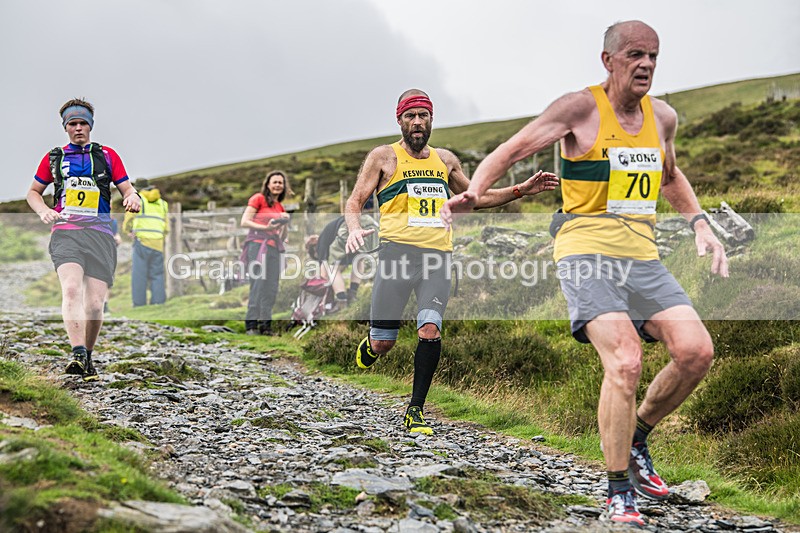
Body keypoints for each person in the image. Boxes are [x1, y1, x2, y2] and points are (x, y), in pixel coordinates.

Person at [441, 21, 729, 526]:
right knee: (625, 360)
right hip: (585, 250)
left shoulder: (662, 117)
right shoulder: (580, 108)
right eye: (635, 54)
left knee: (696, 352)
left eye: (654, 56)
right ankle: (619, 491)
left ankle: (636, 439)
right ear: (608, 60)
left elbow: (669, 175)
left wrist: (700, 223)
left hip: (643, 256)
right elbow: (513, 149)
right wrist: (474, 190)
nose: (646, 65)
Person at [345, 89, 558, 436]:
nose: (417, 122)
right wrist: (354, 229)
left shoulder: (445, 160)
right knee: (384, 343)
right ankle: (372, 345)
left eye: (423, 116)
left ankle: (415, 411)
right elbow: (355, 201)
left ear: (432, 120)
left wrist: (520, 190)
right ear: (399, 120)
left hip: (436, 258)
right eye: (410, 116)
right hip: (396, 257)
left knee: (430, 328)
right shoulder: (384, 157)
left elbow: (477, 197)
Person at [27, 98, 140, 382]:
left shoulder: (107, 156)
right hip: (66, 233)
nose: (78, 128)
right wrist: (43, 211)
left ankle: (87, 355)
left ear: (90, 125)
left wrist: (132, 197)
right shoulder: (54, 158)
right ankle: (77, 352)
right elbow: (33, 192)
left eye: (82, 123)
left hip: (100, 235)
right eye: (72, 124)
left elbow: (127, 188)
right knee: (72, 289)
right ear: (65, 127)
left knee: (94, 305)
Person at [241, 170, 291, 336]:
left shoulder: (280, 207)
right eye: (274, 182)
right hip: (257, 245)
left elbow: (282, 236)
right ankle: (251, 325)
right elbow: (244, 221)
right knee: (257, 283)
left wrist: (285, 223)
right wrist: (266, 228)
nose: (277, 185)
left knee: (271, 286)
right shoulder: (258, 199)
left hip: (273, 247)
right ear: (268, 184)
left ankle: (266, 326)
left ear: (284, 187)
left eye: (280, 183)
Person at [312, 196, 379, 310]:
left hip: (348, 227)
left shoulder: (320, 247)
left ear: (314, 250)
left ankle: (341, 302)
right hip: (370, 223)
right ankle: (352, 295)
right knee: (360, 258)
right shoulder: (328, 235)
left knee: (332, 268)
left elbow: (324, 276)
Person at [123, 178, 169, 306]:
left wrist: (128, 230)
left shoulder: (138, 200)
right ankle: (158, 302)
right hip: (158, 243)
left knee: (139, 275)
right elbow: (167, 227)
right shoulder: (162, 203)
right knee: (158, 274)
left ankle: (139, 304)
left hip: (142, 242)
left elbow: (128, 219)